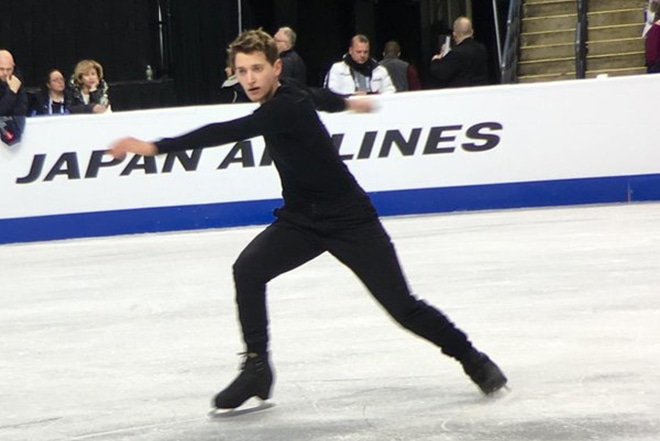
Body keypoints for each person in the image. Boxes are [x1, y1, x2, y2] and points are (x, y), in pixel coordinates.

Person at [107, 29, 507, 411]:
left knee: (403, 308)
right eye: (242, 71)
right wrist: (349, 103)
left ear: (276, 67)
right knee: (248, 270)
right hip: (301, 219)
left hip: (349, 219)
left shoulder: (284, 106)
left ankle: (474, 360)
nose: (250, 79)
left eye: (257, 69)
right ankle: (257, 368)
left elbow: (227, 131)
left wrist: (155, 147)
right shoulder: (294, 92)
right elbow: (321, 96)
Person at [325, 34, 396, 95]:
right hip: (347, 106)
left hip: (374, 105)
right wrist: (352, 95)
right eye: (359, 52)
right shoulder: (337, 69)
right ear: (350, 50)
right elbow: (330, 92)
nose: (362, 55)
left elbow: (390, 91)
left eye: (365, 52)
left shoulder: (380, 70)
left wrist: (371, 95)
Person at [429, 17, 489, 88]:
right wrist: (449, 54)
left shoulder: (456, 53)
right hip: (481, 91)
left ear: (454, 34)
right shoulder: (482, 48)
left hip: (463, 93)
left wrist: (435, 60)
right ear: (472, 32)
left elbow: (441, 73)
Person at [0, 49, 27, 146]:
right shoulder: (14, 86)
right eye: (1, 69)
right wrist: (12, 92)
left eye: (9, 69)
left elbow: (21, 110)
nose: (5, 73)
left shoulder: (16, 80)